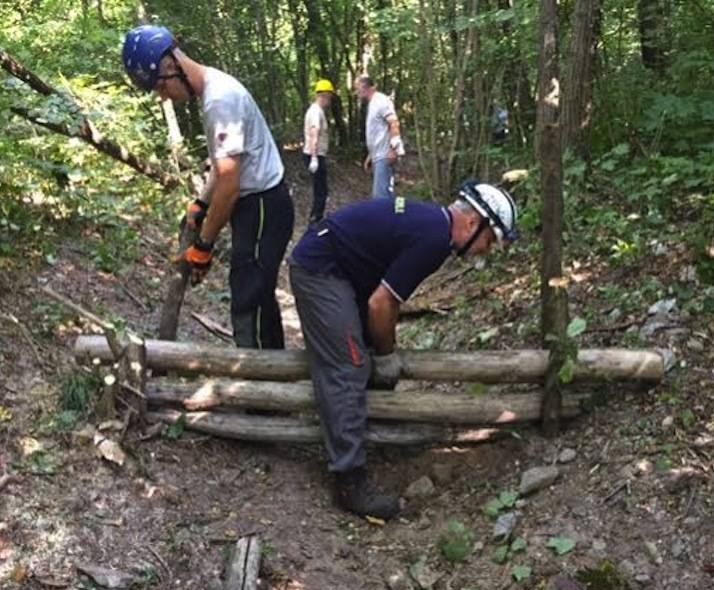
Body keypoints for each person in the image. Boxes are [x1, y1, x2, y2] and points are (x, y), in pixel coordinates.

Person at [287, 183, 519, 519]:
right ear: (472, 223)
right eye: (490, 240)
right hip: (321, 270)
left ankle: (364, 432)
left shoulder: (432, 226)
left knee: (364, 351)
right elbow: (382, 304)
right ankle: (349, 479)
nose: (486, 250)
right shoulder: (434, 239)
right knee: (349, 364)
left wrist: (379, 349)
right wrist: (386, 353)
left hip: (342, 269)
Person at [122, 25, 294, 349]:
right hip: (258, 205)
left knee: (248, 299)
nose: (162, 96)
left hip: (261, 207)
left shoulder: (220, 101)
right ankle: (275, 380)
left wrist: (204, 245)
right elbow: (223, 167)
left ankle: (257, 391)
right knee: (259, 298)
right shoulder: (213, 91)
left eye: (159, 87)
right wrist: (201, 203)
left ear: (172, 66)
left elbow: (230, 183)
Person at [353, 76, 405, 199]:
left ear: (366, 87)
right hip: (378, 155)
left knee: (381, 198)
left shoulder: (380, 101)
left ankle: (390, 218)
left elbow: (394, 123)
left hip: (385, 155)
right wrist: (370, 155)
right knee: (385, 196)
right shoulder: (372, 104)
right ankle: (395, 216)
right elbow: (378, 133)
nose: (357, 92)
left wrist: (393, 149)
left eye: (358, 88)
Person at [303, 79, 334, 224]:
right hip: (314, 155)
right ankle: (316, 220)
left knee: (321, 189)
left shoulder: (316, 110)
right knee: (321, 190)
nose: (330, 100)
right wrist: (314, 157)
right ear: (325, 95)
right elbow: (314, 133)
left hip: (316, 155)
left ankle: (316, 217)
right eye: (330, 97)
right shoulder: (316, 111)